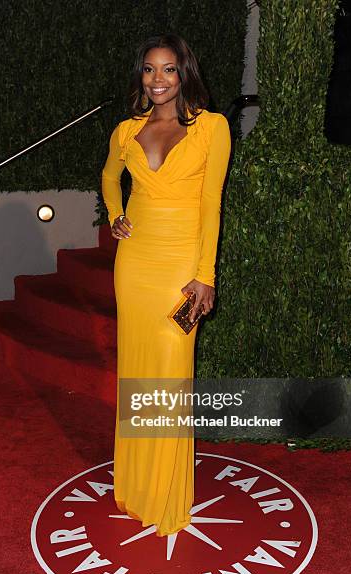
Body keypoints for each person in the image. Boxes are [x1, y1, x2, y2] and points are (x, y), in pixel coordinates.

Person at [101, 33, 231, 537]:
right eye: (150, 69)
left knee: (172, 374)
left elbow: (210, 206)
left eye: (169, 69)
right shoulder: (125, 132)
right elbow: (110, 178)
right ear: (142, 75)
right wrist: (115, 215)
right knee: (137, 367)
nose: (158, 79)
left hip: (182, 268)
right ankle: (136, 485)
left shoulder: (211, 129)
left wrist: (206, 276)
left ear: (184, 74)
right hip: (134, 266)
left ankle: (167, 493)